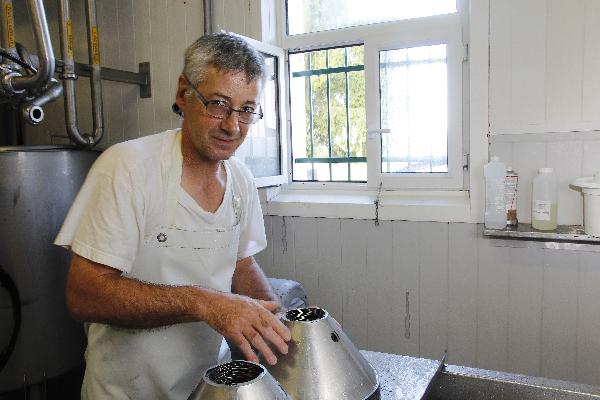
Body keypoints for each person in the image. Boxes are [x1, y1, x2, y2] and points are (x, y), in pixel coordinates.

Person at [54, 33, 291, 399]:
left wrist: (280, 325)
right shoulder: (128, 167)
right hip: (126, 392)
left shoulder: (240, 178)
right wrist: (205, 302)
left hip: (208, 388)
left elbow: (241, 263)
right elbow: (83, 294)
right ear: (183, 93)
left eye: (246, 110)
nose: (232, 126)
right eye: (218, 104)